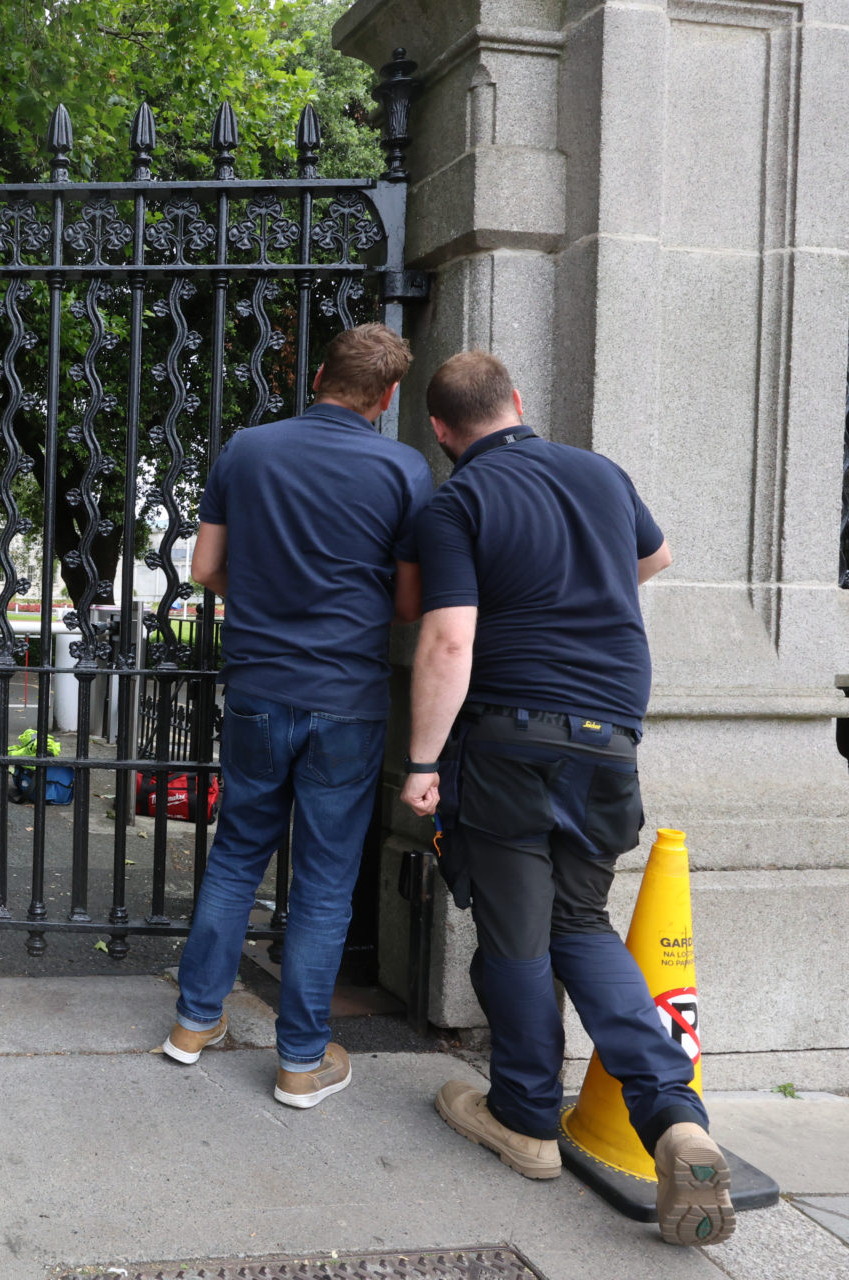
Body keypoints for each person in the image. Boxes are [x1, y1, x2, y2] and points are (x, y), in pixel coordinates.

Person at [399, 352, 731, 1247]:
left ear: (440, 432)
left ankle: (526, 1118)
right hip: (609, 740)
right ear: (517, 403)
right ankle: (674, 1117)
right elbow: (654, 557)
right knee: (581, 925)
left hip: (511, 738)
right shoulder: (600, 471)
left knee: (514, 933)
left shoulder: (456, 503)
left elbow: (447, 642)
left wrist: (423, 760)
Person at [159, 323, 432, 1112]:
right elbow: (410, 603)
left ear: (318, 375)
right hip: (346, 698)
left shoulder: (247, 449)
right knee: (322, 881)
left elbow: (206, 568)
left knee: (238, 853)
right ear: (385, 398)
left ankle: (192, 1024)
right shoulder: (404, 467)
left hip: (256, 687)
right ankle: (300, 1063)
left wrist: (273, 600)